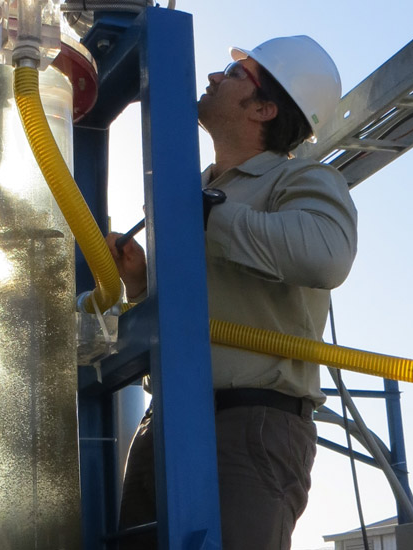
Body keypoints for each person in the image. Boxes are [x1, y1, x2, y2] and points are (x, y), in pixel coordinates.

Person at [107, 36, 358, 550]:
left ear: (265, 108)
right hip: (168, 417)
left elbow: (325, 255)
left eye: (234, 73)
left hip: (250, 423)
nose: (214, 78)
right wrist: (138, 285)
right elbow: (189, 314)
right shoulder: (192, 191)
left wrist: (210, 213)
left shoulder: (300, 178)